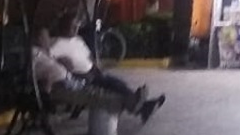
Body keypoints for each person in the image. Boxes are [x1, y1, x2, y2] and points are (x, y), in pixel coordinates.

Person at [34, 25, 165, 124]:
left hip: (91, 72)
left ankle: (141, 106)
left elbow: (88, 56)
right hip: (79, 77)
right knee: (109, 90)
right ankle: (140, 105)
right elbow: (53, 66)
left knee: (117, 84)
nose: (76, 26)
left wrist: (94, 65)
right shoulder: (53, 47)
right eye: (72, 24)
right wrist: (62, 64)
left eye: (76, 23)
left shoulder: (77, 40)